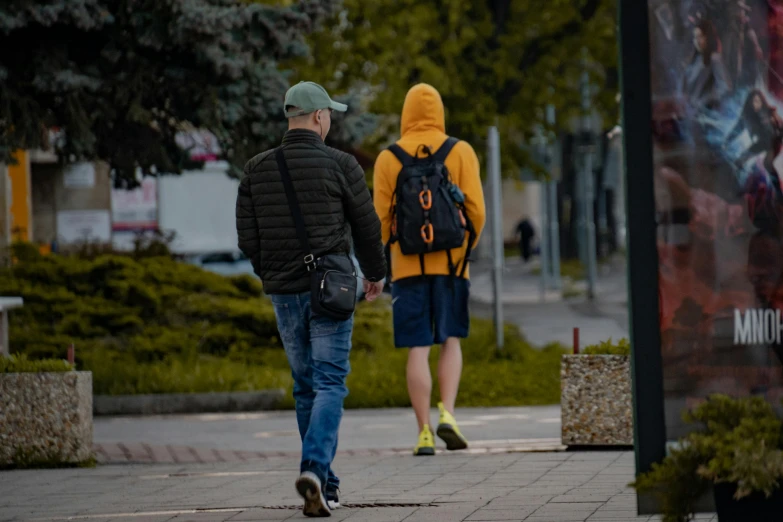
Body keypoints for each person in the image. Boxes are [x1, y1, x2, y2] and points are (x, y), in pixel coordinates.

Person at [236, 81, 386, 517]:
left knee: (305, 386)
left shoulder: (255, 169)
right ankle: (316, 471)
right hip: (332, 290)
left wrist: (272, 274)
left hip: (284, 293)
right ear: (320, 116)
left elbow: (249, 239)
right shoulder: (341, 164)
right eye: (330, 114)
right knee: (330, 382)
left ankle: (326, 484)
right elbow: (367, 226)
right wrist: (375, 275)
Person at [373, 83, 486, 456]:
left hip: (407, 269)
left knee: (418, 347)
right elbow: (477, 212)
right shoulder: (460, 151)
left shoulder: (388, 159)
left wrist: (390, 256)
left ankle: (423, 432)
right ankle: (448, 415)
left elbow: (381, 220)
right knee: (450, 339)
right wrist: (465, 247)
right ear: (439, 111)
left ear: (406, 114)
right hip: (453, 266)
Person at [725, 89, 783, 197]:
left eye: (758, 101)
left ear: (762, 101)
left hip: (773, 141)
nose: (756, 104)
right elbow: (737, 128)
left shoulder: (770, 112)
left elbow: (781, 126)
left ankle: (779, 193)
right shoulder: (747, 115)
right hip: (761, 142)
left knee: (767, 164)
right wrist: (727, 142)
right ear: (749, 102)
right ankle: (739, 189)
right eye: (753, 101)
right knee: (739, 162)